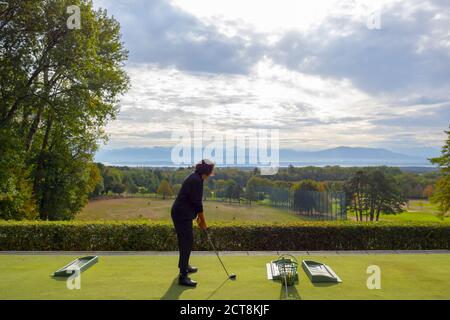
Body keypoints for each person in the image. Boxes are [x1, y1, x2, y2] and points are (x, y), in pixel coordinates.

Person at [171, 159, 215, 287]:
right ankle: (183, 276)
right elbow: (197, 203)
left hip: (182, 213)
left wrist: (197, 217)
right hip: (181, 215)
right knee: (186, 242)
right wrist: (203, 221)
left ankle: (184, 266)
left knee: (186, 241)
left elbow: (193, 201)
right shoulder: (196, 181)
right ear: (207, 171)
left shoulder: (196, 177)